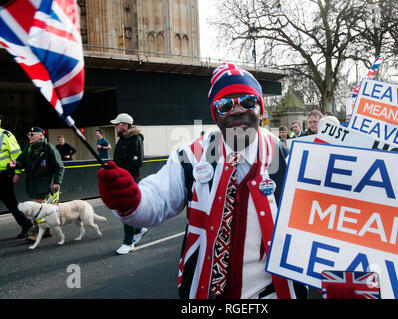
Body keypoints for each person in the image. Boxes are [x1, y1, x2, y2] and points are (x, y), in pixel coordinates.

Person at [97, 63, 308, 299]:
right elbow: (156, 199)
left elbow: (325, 223)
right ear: (214, 114)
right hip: (203, 293)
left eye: (248, 101)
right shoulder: (191, 156)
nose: (237, 110)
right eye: (225, 105)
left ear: (261, 108)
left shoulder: (290, 159)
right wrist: (129, 200)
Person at [9, 126, 65, 241]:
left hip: (44, 183)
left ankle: (38, 231)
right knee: (42, 208)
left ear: (40, 135)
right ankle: (47, 230)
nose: (30, 137)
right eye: (29, 135)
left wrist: (57, 182)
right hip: (32, 183)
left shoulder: (49, 148)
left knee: (36, 208)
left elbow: (59, 167)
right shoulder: (29, 148)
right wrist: (16, 164)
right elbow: (21, 160)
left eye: (32, 134)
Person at [109, 113, 147, 255]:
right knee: (125, 210)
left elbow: (136, 162)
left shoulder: (135, 139)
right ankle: (138, 229)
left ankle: (128, 242)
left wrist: (121, 174)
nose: (115, 126)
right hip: (120, 180)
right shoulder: (122, 139)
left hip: (129, 181)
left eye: (117, 124)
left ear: (125, 125)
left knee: (126, 211)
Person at [0, 114, 34, 238]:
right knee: (10, 202)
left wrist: (17, 172)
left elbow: (17, 155)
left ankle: (27, 224)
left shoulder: (6, 135)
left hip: (4, 174)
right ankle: (26, 224)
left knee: (11, 203)